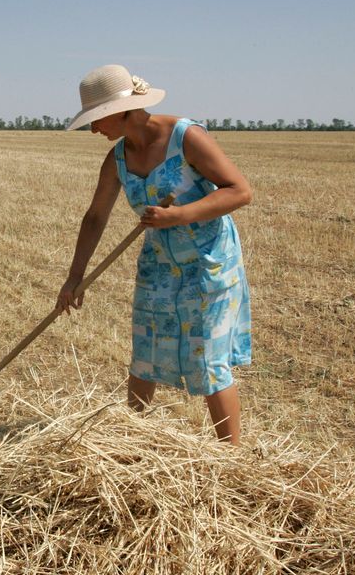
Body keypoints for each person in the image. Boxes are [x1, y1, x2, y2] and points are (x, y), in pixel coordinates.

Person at [56, 65, 252, 445]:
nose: (94, 128)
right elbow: (95, 216)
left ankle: (232, 458)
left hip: (207, 262)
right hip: (159, 265)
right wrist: (74, 277)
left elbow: (239, 191)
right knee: (146, 351)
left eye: (97, 119)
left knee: (208, 357)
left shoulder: (186, 137)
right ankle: (131, 441)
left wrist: (179, 215)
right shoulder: (117, 158)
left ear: (125, 111)